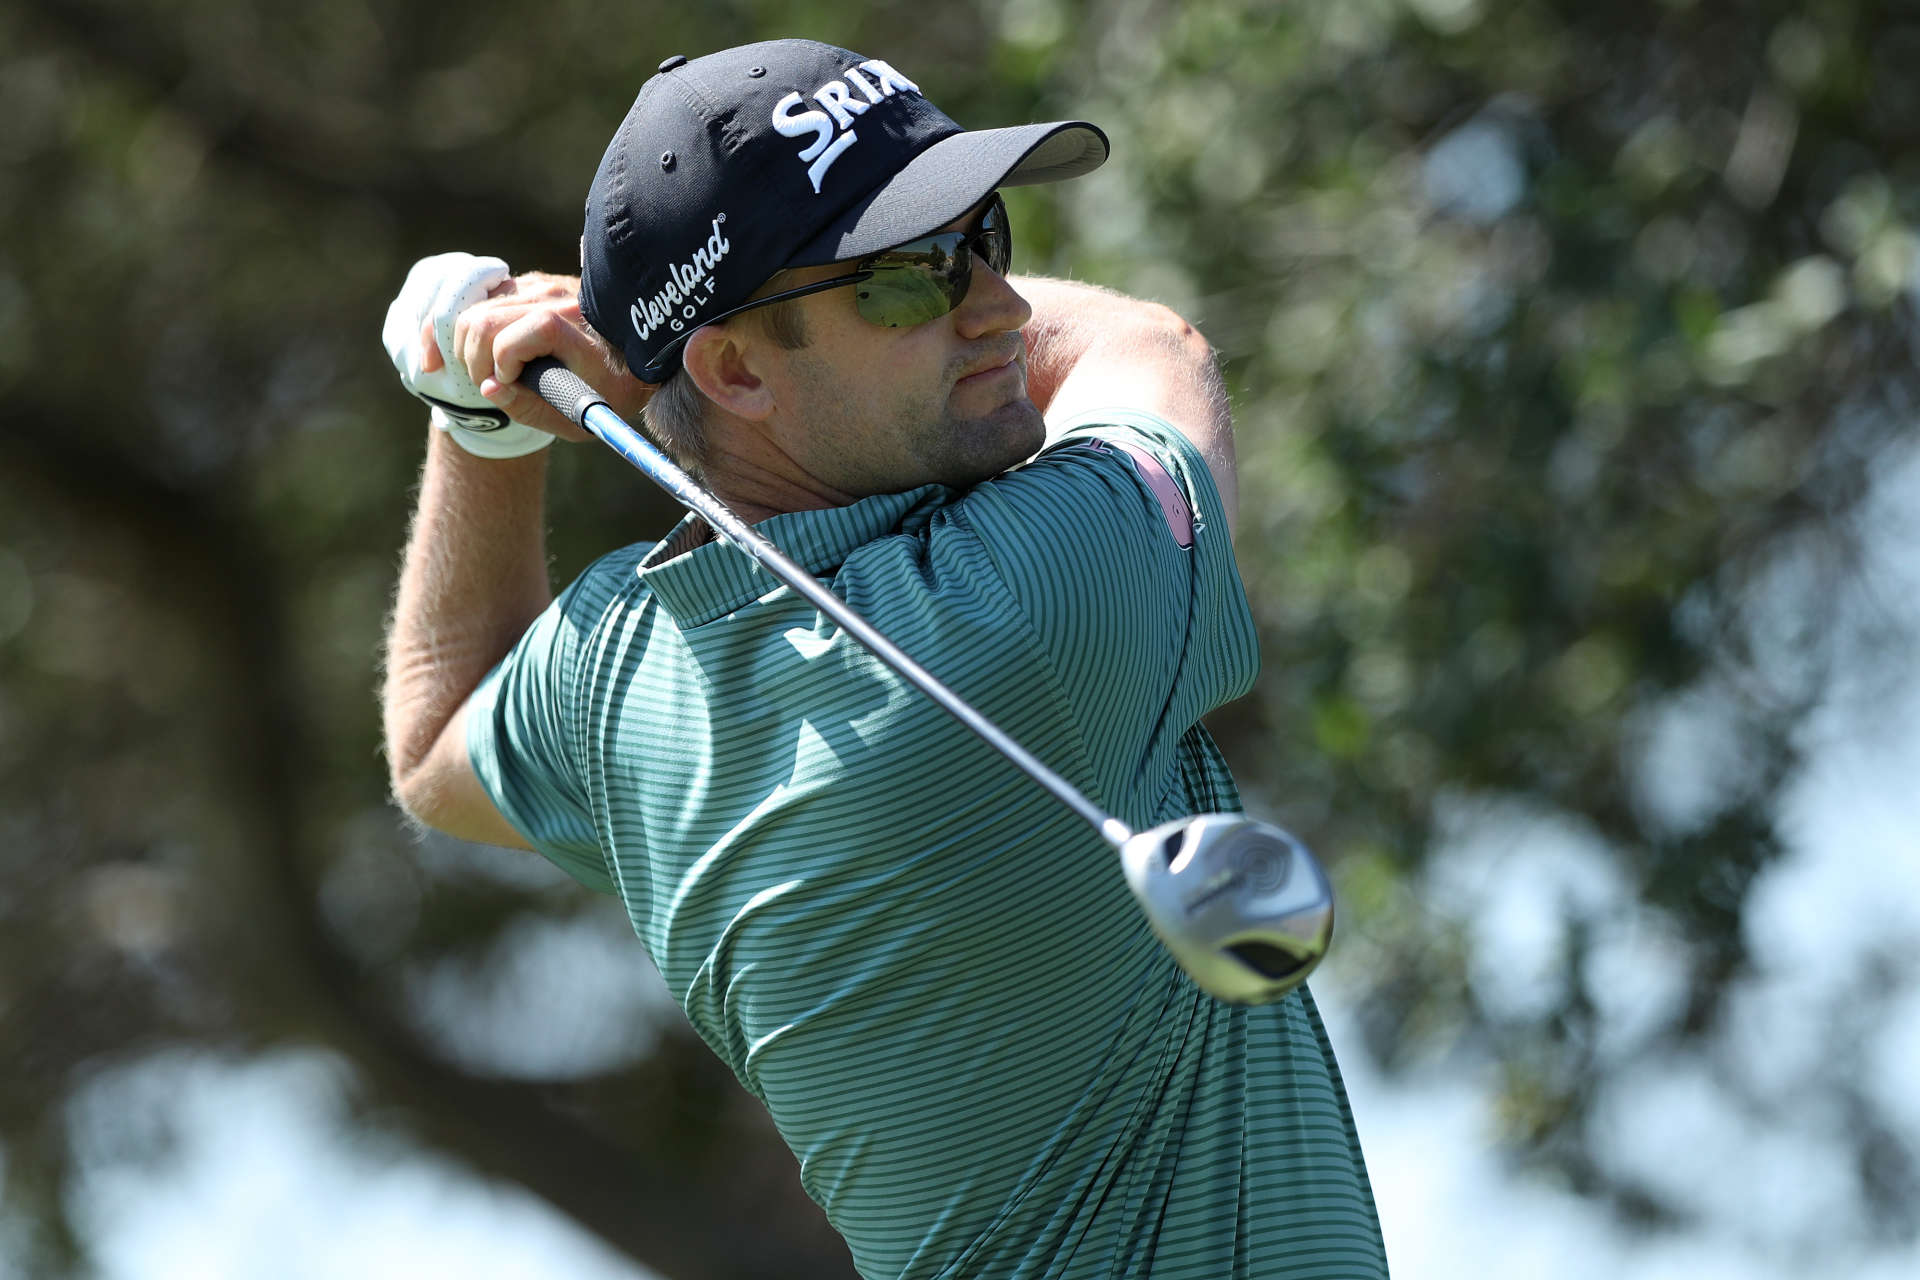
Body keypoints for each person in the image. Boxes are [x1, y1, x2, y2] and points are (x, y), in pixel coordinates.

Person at [380, 37, 1388, 1280]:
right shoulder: (1028, 603)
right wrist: (635, 366)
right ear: (739, 367)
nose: (1003, 305)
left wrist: (478, 428)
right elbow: (1150, 345)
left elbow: (432, 749)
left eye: (989, 237)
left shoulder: (613, 677)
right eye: (912, 277)